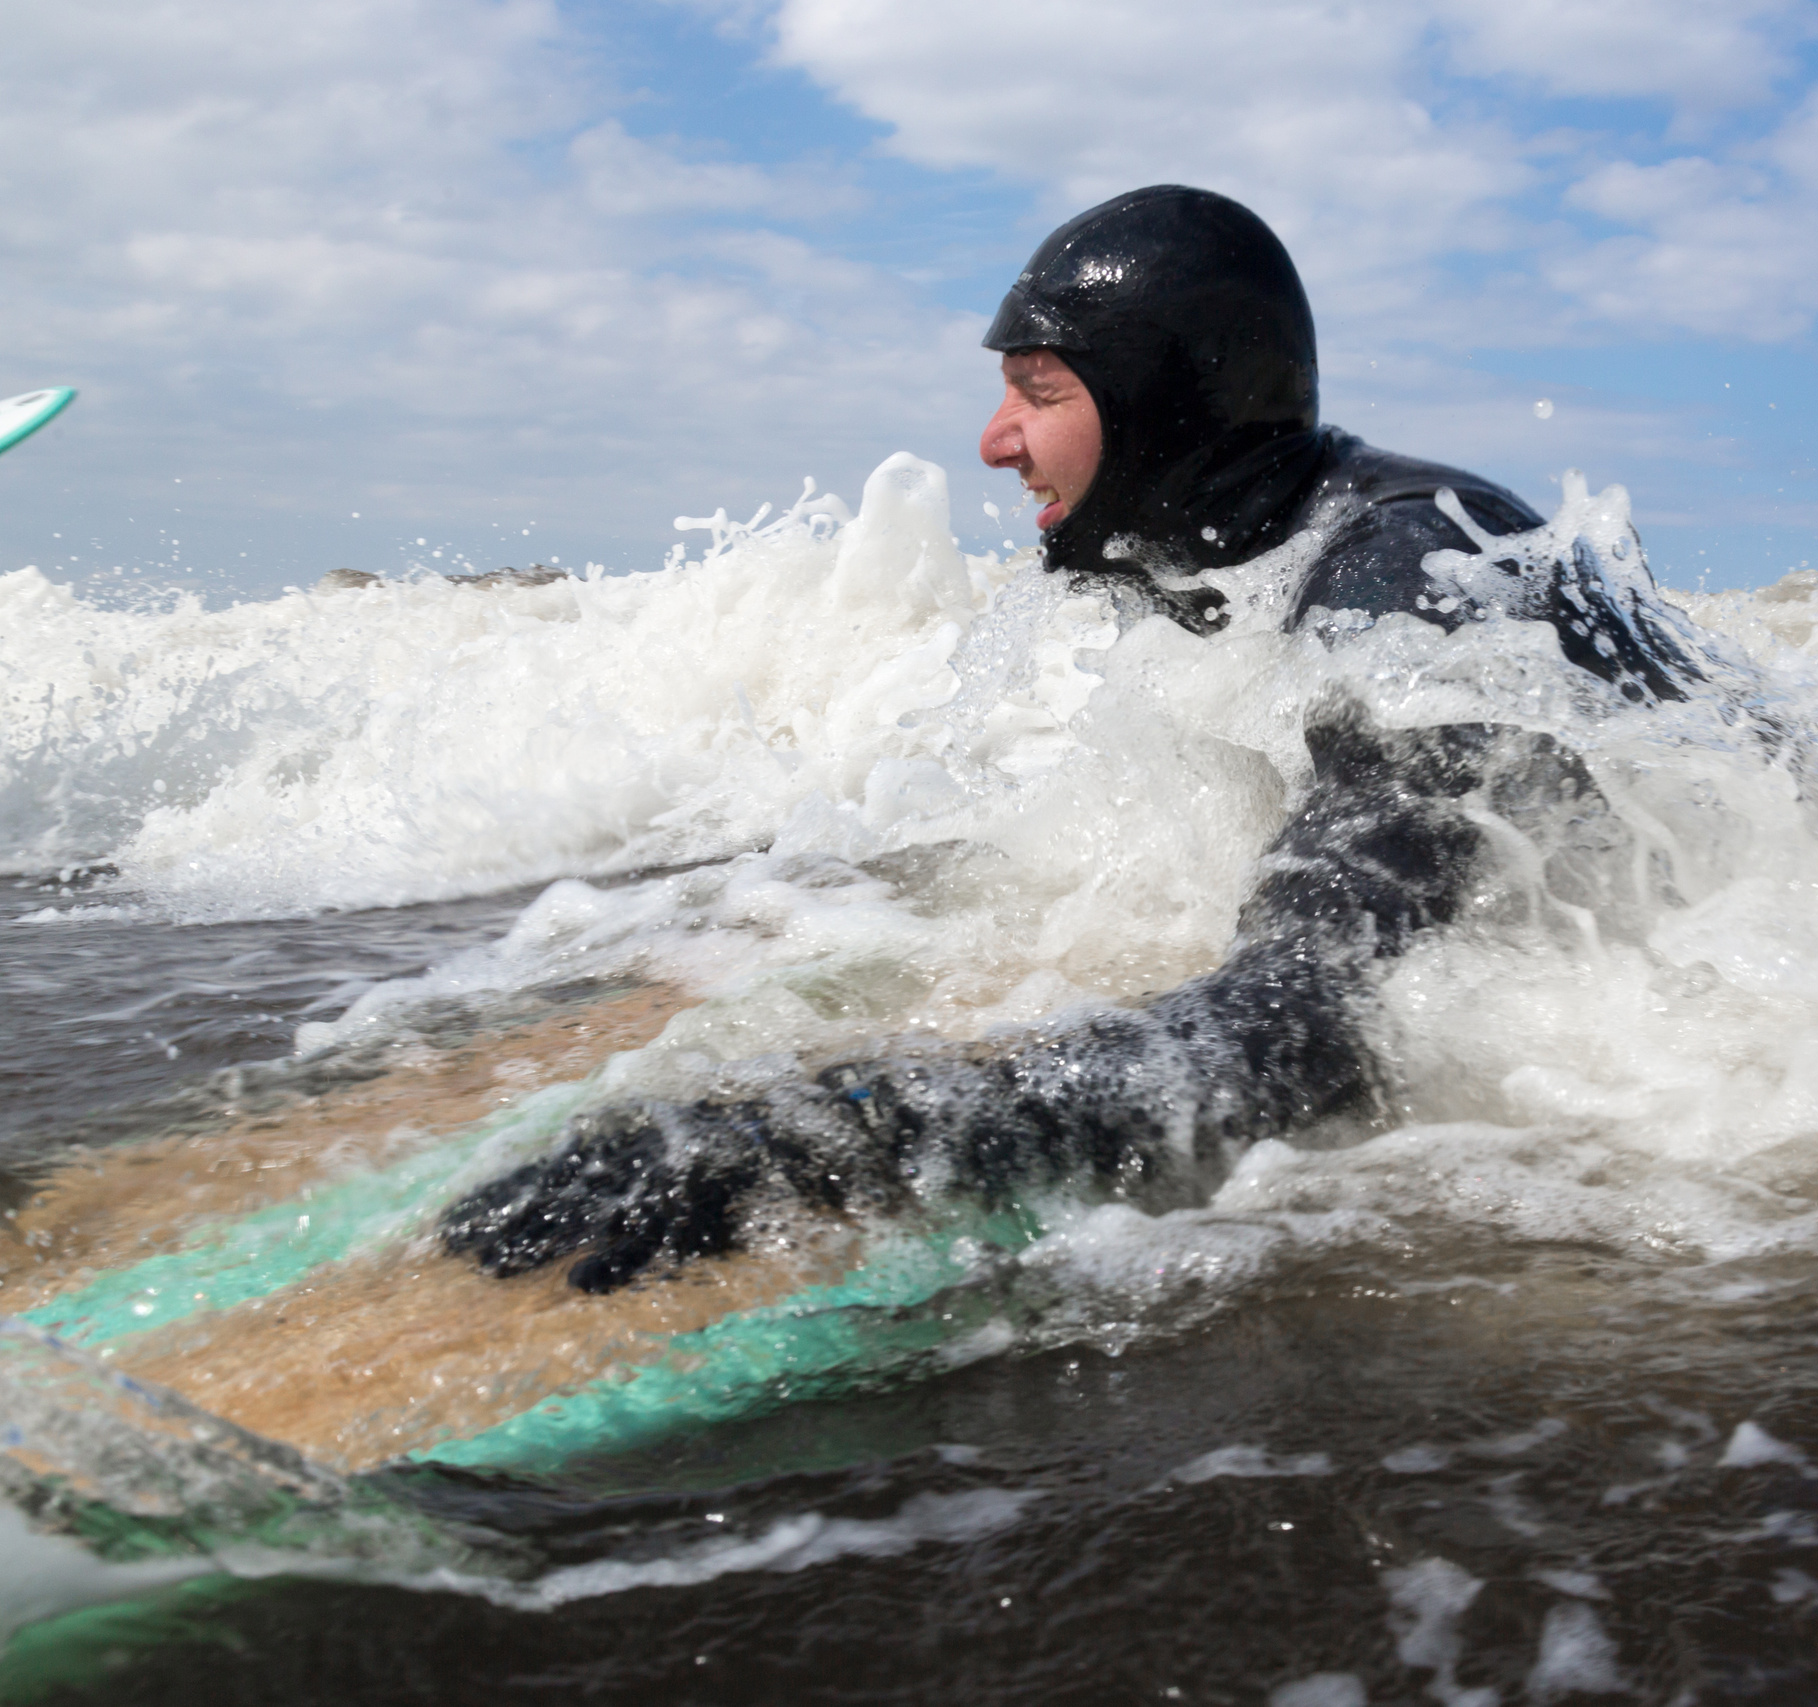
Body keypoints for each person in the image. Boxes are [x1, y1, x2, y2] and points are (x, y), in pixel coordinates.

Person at [441, 186, 1717, 1292]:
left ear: (1168, 404)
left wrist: (841, 1140)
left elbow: (1317, 1034)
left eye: (1037, 392)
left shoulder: (1410, 577)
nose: (994, 442)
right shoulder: (1264, 561)